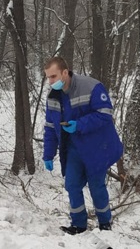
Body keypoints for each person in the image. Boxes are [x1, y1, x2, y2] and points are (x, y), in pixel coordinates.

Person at [42, 57, 123, 234]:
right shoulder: (53, 97)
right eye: (48, 78)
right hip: (73, 148)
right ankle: (78, 225)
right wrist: (48, 154)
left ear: (65, 72)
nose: (51, 81)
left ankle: (105, 224)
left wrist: (80, 124)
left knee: (96, 187)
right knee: (72, 185)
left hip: (97, 147)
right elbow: (50, 127)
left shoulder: (91, 86)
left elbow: (105, 114)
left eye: (54, 76)